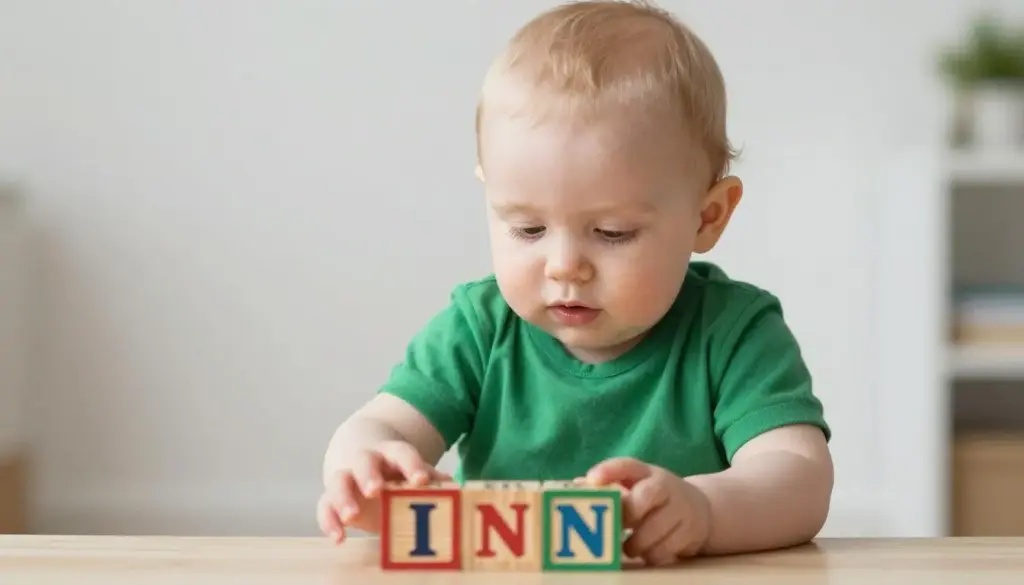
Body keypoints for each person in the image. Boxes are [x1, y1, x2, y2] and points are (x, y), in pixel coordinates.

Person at [317, 0, 833, 566]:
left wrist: (705, 511)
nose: (564, 266)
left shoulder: (732, 333)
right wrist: (366, 467)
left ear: (707, 217)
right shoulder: (479, 328)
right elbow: (381, 423)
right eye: (528, 227)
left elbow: (799, 477)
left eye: (612, 233)